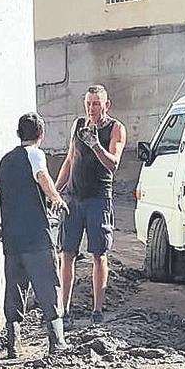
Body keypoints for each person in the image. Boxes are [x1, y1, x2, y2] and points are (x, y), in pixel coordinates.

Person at [0, 113, 71, 357]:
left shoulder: (4, 161)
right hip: (36, 236)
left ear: (18, 134)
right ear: (41, 135)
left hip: (12, 239)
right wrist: (55, 197)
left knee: (14, 289)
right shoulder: (35, 154)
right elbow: (42, 176)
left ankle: (14, 345)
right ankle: (57, 342)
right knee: (47, 285)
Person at [54, 84, 127, 326]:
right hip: (73, 198)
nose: (91, 108)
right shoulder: (78, 126)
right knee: (67, 253)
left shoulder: (116, 128)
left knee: (99, 254)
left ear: (106, 105)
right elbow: (70, 159)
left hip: (98, 198)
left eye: (96, 104)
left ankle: (97, 310)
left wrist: (96, 144)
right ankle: (64, 309)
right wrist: (55, 191)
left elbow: (113, 163)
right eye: (88, 104)